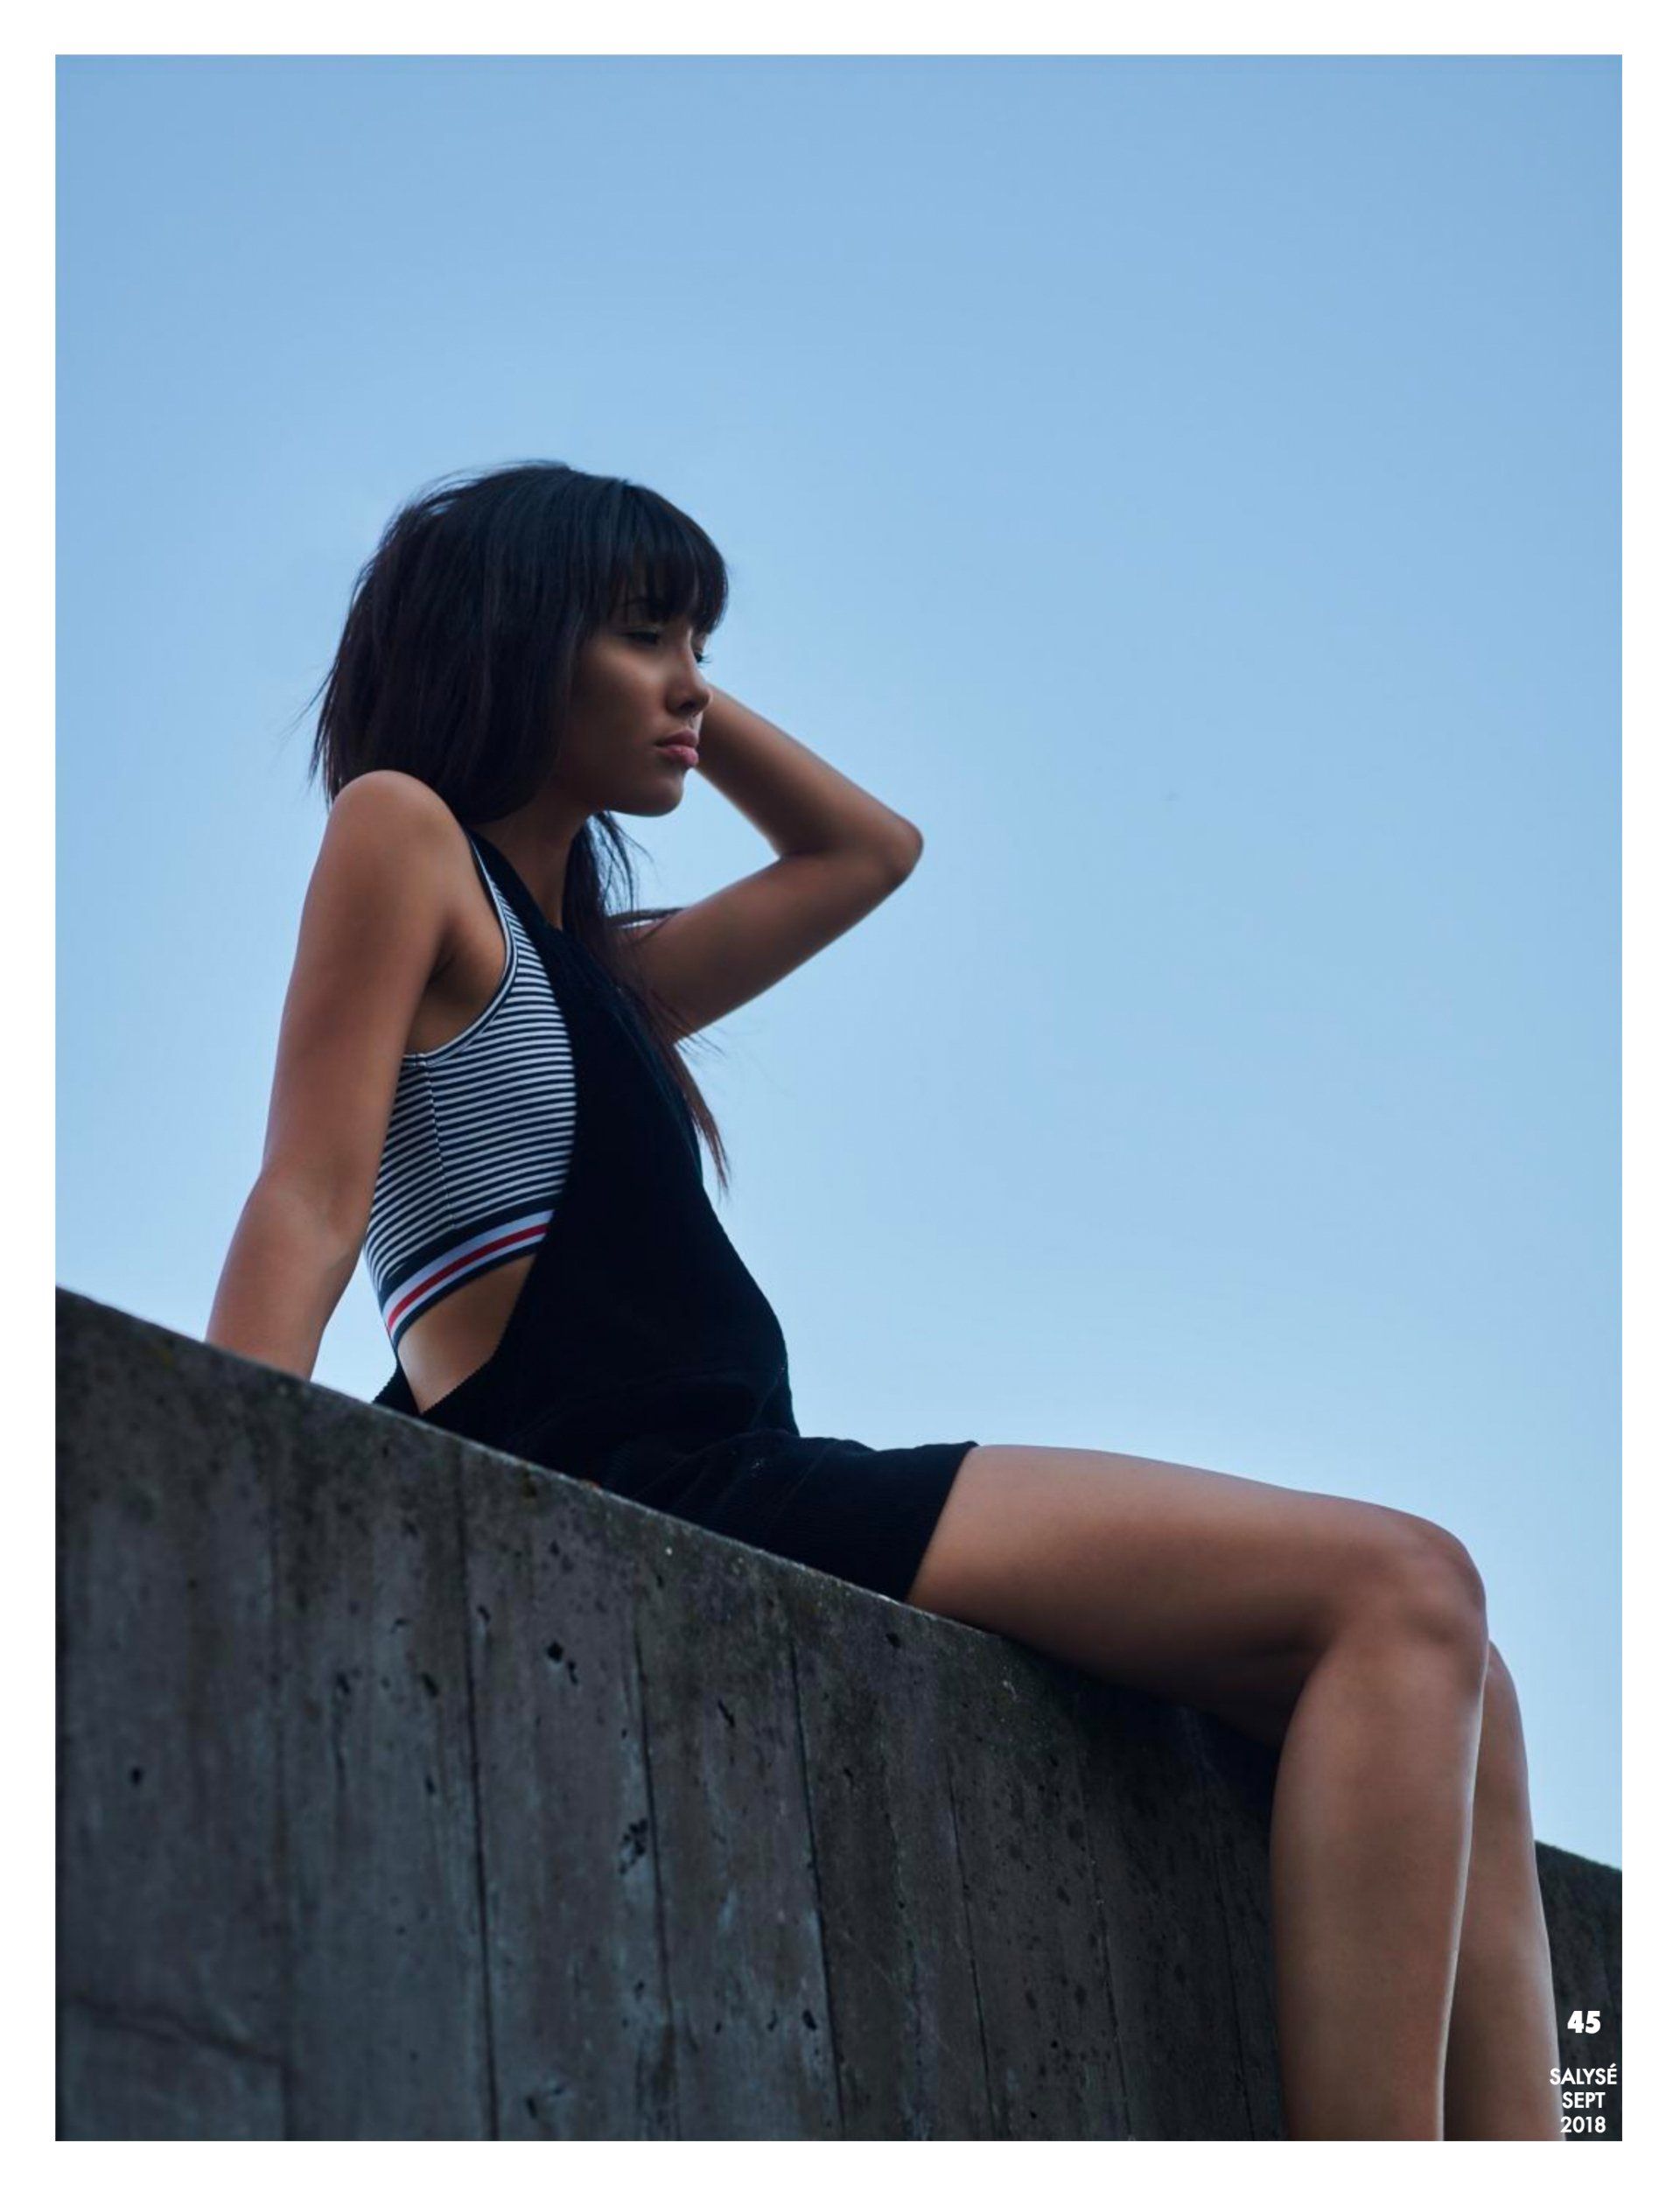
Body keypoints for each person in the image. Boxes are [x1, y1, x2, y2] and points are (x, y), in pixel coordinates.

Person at [206, 459, 1561, 2142]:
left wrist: (660, 679)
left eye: (700, 645)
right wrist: (223, 1460)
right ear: (517, 640)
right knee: (1406, 1583)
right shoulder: (405, 835)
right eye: (644, 636)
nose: (691, 685)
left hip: (753, 1470)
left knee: (1476, 1689)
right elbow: (308, 1190)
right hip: (652, 1482)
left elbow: (868, 850)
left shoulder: (606, 979)